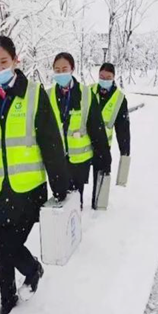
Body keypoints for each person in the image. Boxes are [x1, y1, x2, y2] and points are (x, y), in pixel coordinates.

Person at [0, 36, 69, 314]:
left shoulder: (33, 94)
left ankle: (32, 270)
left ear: (16, 61)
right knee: (2, 247)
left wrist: (60, 186)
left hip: (29, 190)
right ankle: (7, 299)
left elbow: (50, 141)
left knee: (11, 246)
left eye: (3, 62)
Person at [48, 52, 111, 209]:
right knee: (59, 200)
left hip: (79, 160)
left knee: (76, 199)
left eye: (64, 69)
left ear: (72, 69)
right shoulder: (47, 95)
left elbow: (97, 128)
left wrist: (104, 157)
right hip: (57, 159)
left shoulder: (86, 94)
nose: (61, 73)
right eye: (57, 70)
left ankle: (74, 228)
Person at [91, 63, 131, 208]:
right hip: (83, 146)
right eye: (102, 76)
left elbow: (123, 130)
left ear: (114, 78)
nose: (104, 80)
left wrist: (125, 152)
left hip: (102, 147)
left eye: (108, 77)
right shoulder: (88, 91)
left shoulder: (119, 99)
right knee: (76, 185)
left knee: (102, 180)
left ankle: (99, 211)